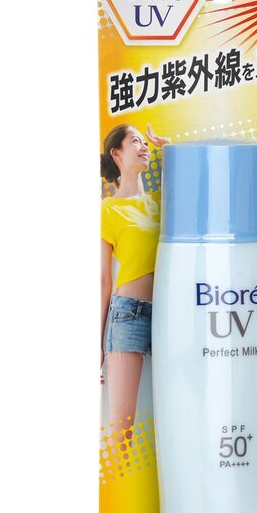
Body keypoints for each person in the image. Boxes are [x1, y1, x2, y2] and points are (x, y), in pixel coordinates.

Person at [100, 123, 168, 437]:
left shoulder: (161, 201)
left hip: (169, 314)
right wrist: (96, 346)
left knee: (177, 416)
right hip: (128, 315)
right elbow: (103, 281)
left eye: (146, 143)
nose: (144, 147)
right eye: (135, 141)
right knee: (121, 429)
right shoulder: (108, 209)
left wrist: (169, 149)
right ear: (117, 154)